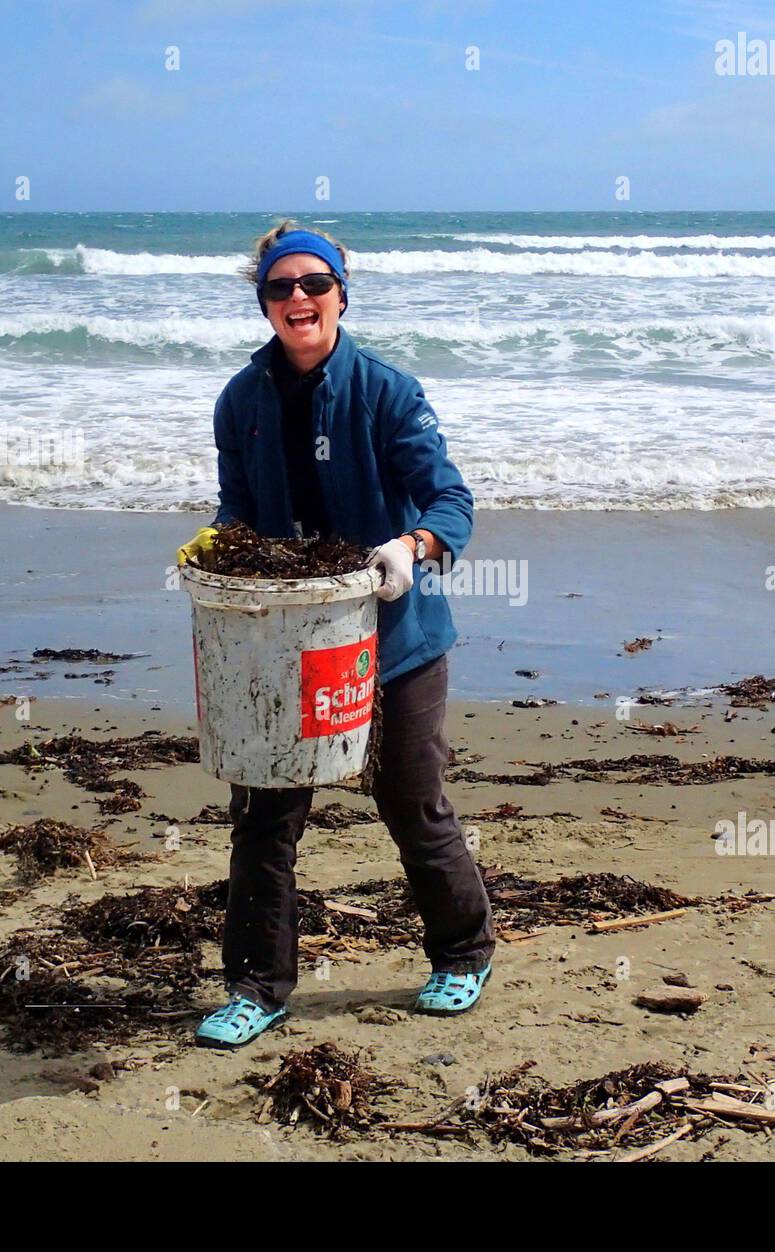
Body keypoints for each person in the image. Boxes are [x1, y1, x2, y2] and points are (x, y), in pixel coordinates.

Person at [176, 221, 494, 1049]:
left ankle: (463, 954)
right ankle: (256, 989)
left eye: (314, 283)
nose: (299, 299)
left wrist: (410, 547)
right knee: (265, 817)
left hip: (396, 643)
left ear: (341, 295)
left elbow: (451, 501)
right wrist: (213, 554)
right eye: (281, 288)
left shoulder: (388, 392)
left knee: (411, 804)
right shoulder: (239, 402)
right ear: (265, 305)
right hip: (281, 649)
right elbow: (236, 514)